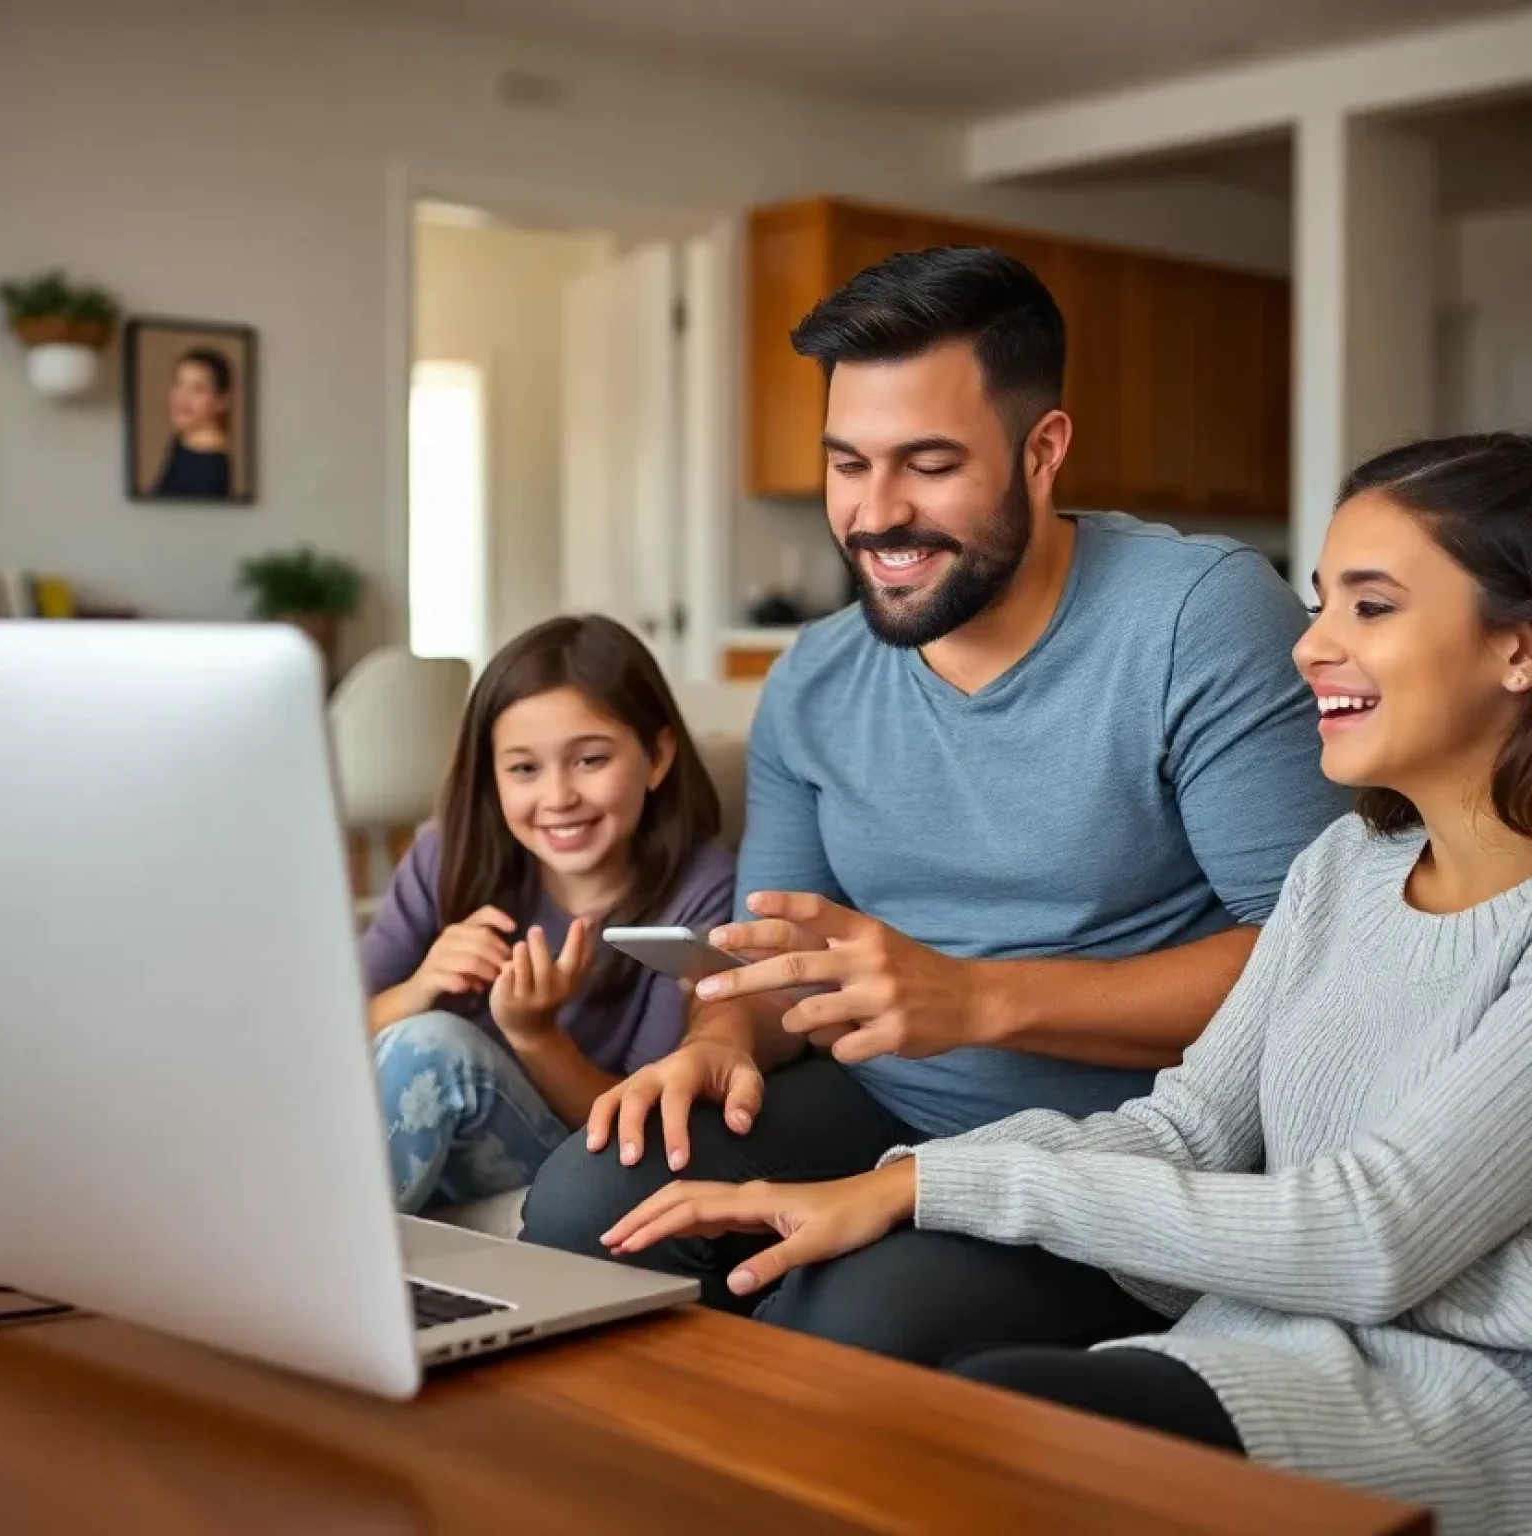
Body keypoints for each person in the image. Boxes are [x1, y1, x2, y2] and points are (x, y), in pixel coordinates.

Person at [604, 433, 1532, 1536]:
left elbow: (1368, 1237)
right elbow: (1187, 1127)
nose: (1311, 647)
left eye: (1370, 609)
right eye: (1322, 603)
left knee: (969, 1425)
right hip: (1246, 1344)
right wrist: (900, 1180)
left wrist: (920, 1187)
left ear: (1518, 650)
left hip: (1447, 1409)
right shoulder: (1342, 872)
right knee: (912, 1404)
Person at [520, 246, 1351, 1363]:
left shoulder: (1195, 619)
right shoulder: (813, 680)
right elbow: (776, 956)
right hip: (890, 1106)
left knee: (851, 1319)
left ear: (1043, 451)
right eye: (848, 463)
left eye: (928, 463)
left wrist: (982, 1000)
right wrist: (722, 1038)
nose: (875, 514)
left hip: (1126, 1141)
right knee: (587, 1208)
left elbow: (1325, 965)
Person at [362, 615, 735, 1213]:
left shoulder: (700, 890)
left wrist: (535, 1035)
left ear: (658, 756)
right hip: (417, 1140)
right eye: (524, 769)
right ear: (492, 775)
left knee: (434, 1048)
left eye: (590, 760)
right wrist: (418, 988)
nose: (558, 797)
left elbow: (641, 1122)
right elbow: (332, 1037)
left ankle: (321, 1272)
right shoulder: (448, 853)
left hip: (573, 1154)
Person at [151, 347, 234, 499]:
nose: (181, 397)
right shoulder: (182, 442)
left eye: (198, 389)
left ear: (221, 401)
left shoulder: (210, 469)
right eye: (178, 384)